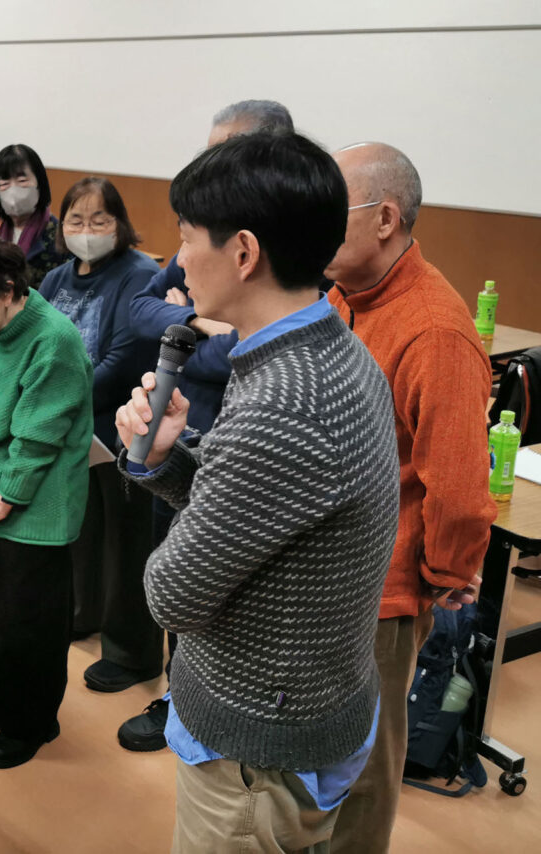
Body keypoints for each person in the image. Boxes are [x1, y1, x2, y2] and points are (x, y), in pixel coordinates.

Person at [115, 132, 398, 852]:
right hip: (310, 706)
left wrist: (181, 486)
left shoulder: (284, 403)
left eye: (186, 238)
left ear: (243, 252)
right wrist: (170, 458)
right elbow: (267, 508)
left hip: (256, 752)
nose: (179, 261)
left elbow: (171, 596)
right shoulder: (325, 345)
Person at [324, 143, 493, 854]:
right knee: (318, 756)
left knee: (361, 767)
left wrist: (446, 575)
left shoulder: (435, 329)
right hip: (324, 569)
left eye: (331, 210)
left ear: (385, 219)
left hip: (382, 591)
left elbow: (459, 488)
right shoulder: (342, 296)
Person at [117, 98, 294, 744]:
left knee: (217, 586)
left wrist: (202, 337)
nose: (207, 166)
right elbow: (138, 309)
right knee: (169, 548)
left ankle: (201, 702)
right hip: (179, 436)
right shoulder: (203, 239)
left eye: (225, 154)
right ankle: (177, 694)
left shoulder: (293, 258)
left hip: (228, 437)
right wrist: (199, 321)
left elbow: (248, 352)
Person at [0, 233, 93, 769]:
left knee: (24, 622)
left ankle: (31, 723)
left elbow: (38, 436)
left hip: (33, 504)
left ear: (7, 290)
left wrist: (5, 498)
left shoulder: (54, 339)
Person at [38, 177, 160, 689]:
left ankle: (133, 653)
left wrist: (54, 401)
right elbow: (37, 340)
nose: (86, 230)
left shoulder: (140, 274)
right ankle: (84, 613)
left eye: (99, 220)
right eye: (76, 220)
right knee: (82, 532)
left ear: (119, 224)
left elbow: (123, 358)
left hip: (123, 430)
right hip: (72, 431)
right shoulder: (56, 277)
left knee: (127, 544)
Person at [0, 144, 67, 288]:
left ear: (39, 183)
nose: (13, 190)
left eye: (22, 181)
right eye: (5, 183)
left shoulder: (60, 235)